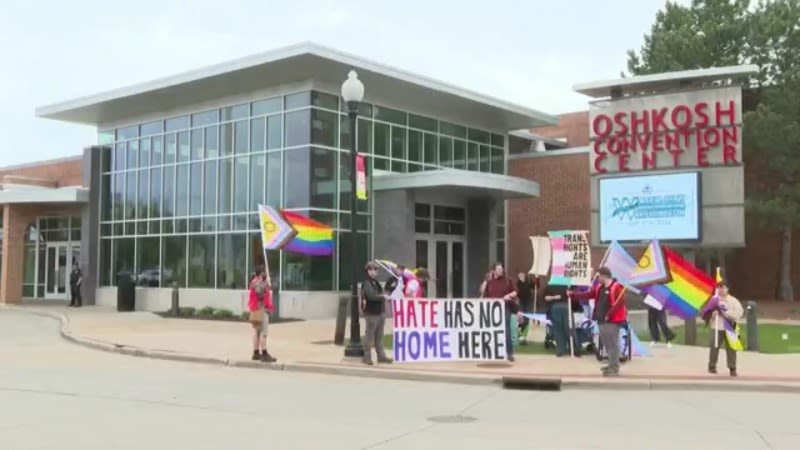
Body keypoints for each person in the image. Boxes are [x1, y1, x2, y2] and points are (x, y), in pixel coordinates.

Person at [569, 267, 627, 376]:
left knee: (612, 344)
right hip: (601, 319)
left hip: (612, 321)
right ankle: (611, 365)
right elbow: (589, 294)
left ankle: (614, 368)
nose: (597, 278)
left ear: (605, 276)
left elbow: (620, 303)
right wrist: (573, 295)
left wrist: (608, 314)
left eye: (599, 276)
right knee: (607, 344)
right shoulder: (599, 287)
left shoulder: (616, 287)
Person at [481, 263, 518, 362]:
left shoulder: (507, 280)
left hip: (505, 308)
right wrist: (484, 285)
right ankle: (493, 352)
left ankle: (509, 353)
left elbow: (515, 292)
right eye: (499, 269)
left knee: (506, 330)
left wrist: (509, 295)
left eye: (501, 269)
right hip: (492, 310)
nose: (501, 270)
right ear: (494, 271)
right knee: (491, 331)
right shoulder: (489, 282)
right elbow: (483, 295)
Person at [705, 282, 743, 376]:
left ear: (727, 289)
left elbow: (738, 314)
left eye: (723, 288)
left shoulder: (733, 301)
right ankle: (712, 366)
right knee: (714, 346)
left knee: (731, 348)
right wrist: (712, 315)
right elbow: (707, 313)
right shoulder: (714, 300)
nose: (721, 290)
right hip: (717, 327)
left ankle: (732, 368)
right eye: (719, 288)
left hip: (730, 326)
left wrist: (725, 312)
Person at [361, 262, 392, 365]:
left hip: (380, 312)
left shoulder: (375, 282)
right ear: (369, 270)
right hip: (371, 313)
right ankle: (367, 357)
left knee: (379, 336)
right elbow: (371, 296)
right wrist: (383, 297)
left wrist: (384, 295)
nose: (377, 271)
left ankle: (381, 356)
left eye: (377, 269)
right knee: (369, 336)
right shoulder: (366, 283)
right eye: (375, 269)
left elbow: (378, 293)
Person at [248, 266, 276, 363]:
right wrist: (266, 284)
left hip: (255, 308)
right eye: (264, 273)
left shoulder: (253, 281)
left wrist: (266, 284)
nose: (266, 274)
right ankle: (264, 354)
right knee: (263, 332)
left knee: (256, 332)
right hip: (260, 309)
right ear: (261, 273)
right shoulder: (257, 282)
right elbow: (259, 292)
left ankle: (256, 353)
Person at [544, 281, 573, 357]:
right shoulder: (566, 285)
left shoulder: (552, 285)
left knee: (559, 329)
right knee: (566, 328)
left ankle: (562, 349)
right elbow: (546, 297)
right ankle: (571, 349)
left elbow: (546, 298)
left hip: (557, 307)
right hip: (563, 307)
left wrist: (554, 297)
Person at [516, 273, 534, 345]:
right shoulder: (517, 284)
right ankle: (520, 335)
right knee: (520, 319)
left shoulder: (528, 283)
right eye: (520, 276)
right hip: (520, 302)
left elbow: (536, 286)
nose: (521, 277)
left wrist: (536, 278)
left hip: (528, 302)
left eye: (522, 276)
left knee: (527, 319)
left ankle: (524, 336)